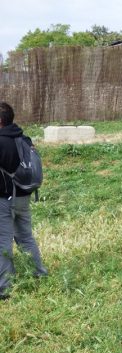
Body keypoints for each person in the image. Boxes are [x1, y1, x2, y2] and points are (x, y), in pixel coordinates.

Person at [0, 102, 47, 300]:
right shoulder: (24, 138)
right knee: (25, 236)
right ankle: (39, 273)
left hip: (4, 199)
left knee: (2, 243)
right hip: (24, 197)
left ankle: (5, 288)